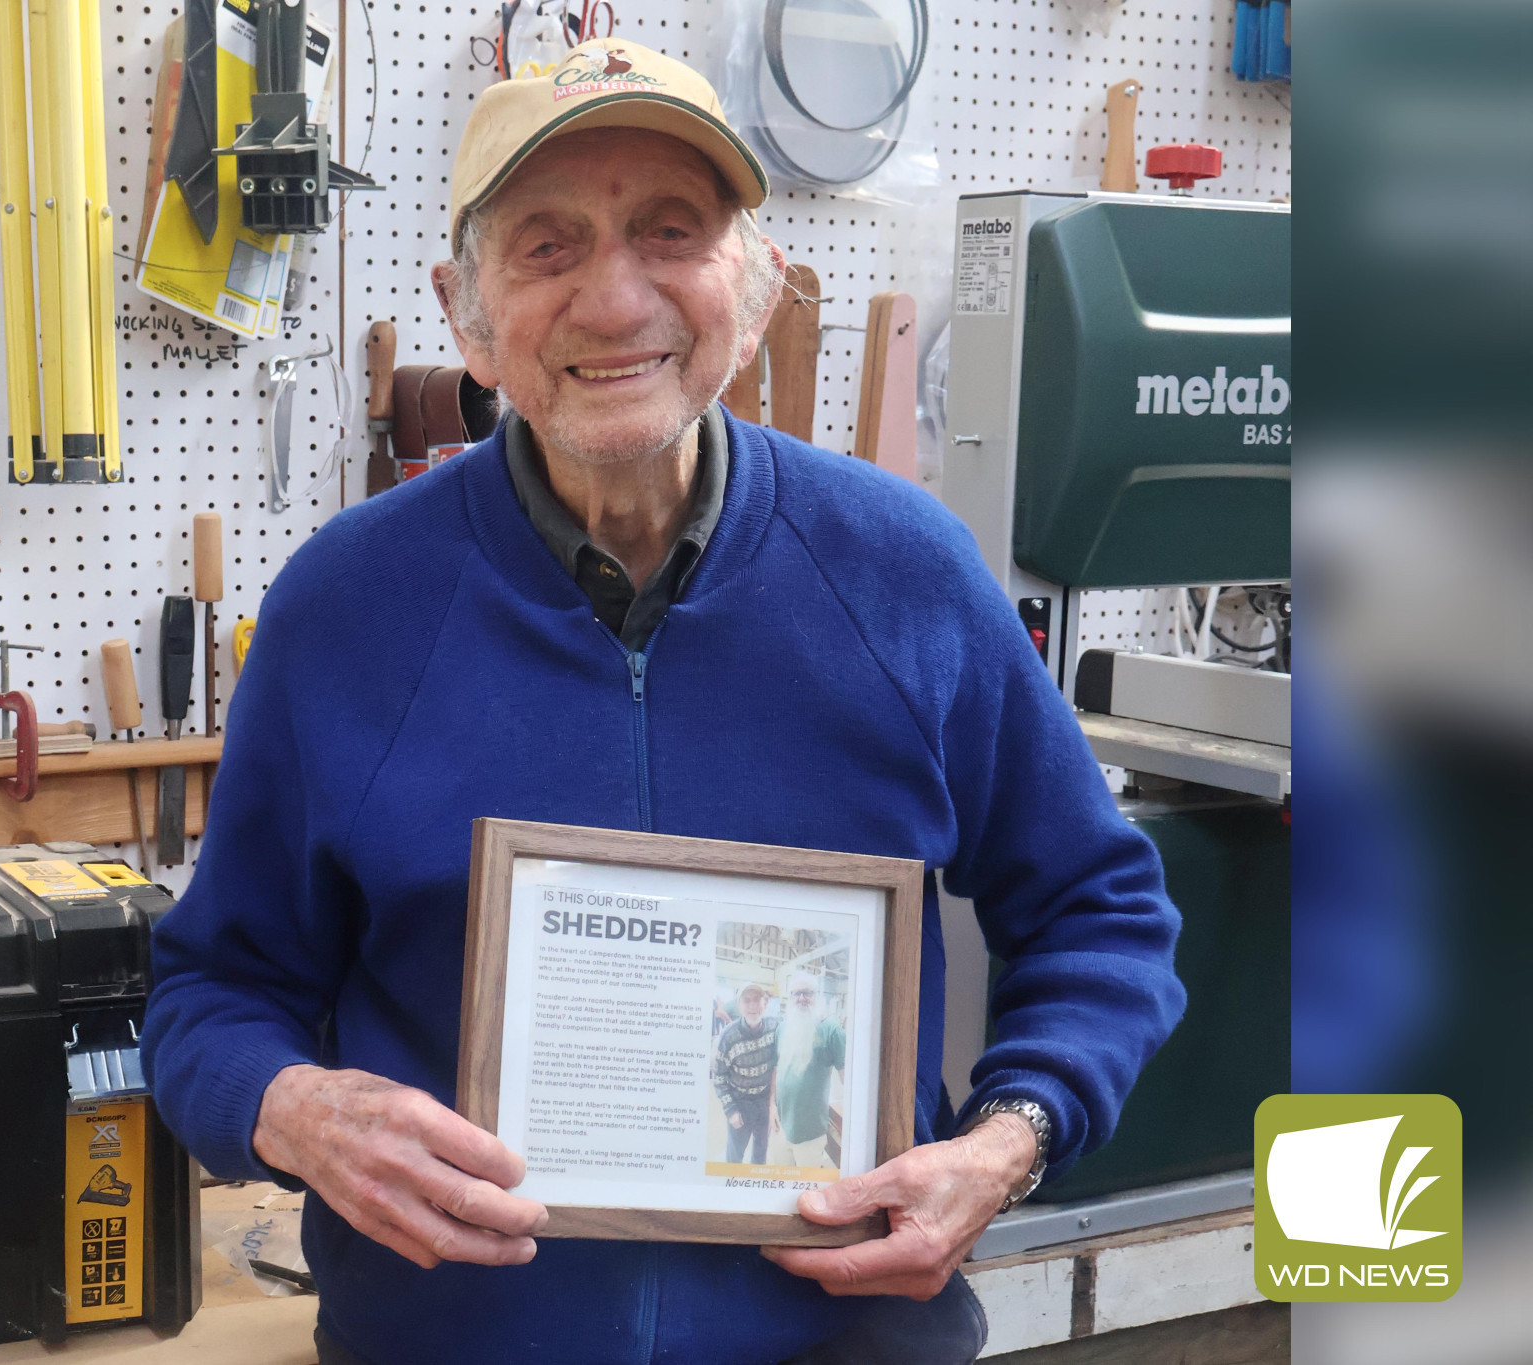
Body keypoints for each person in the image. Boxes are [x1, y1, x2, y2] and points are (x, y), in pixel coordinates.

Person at [142, 36, 1185, 1365]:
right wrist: (289, 1108)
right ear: (463, 312)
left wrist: (1008, 1141)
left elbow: (1103, 911)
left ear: (752, 290)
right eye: (549, 245)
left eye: (671, 233)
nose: (615, 297)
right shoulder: (344, 611)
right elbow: (210, 993)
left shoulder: (906, 576)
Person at [768, 972, 846, 1170]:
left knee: (806, 1189)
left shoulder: (831, 1030)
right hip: (780, 1126)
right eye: (796, 993)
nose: (802, 998)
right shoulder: (782, 1028)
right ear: (790, 998)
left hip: (810, 1131)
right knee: (781, 1180)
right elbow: (775, 1070)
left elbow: (847, 1078)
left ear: (816, 996)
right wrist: (771, 1106)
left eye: (807, 993)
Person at [713, 982, 778, 1164]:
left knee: (760, 1155)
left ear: (765, 1004)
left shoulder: (775, 1027)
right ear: (739, 1005)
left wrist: (774, 1105)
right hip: (739, 1102)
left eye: (757, 999)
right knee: (735, 1156)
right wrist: (730, 1110)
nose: (752, 1005)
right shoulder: (728, 1036)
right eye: (746, 1000)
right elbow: (718, 1078)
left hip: (764, 1103)